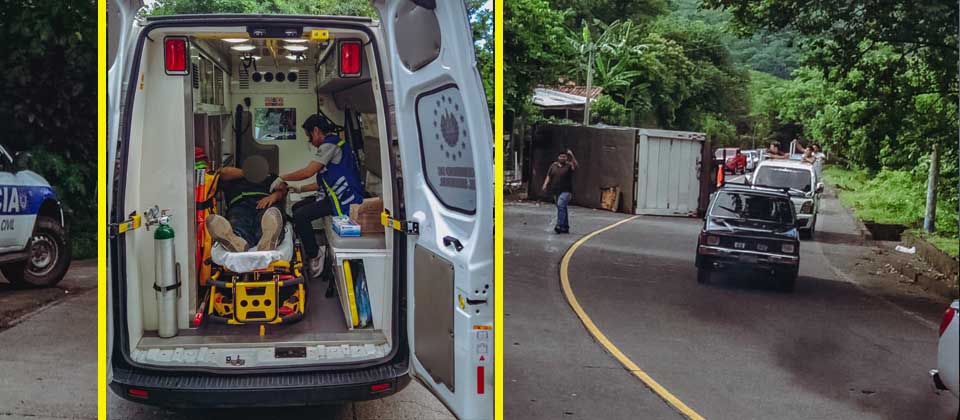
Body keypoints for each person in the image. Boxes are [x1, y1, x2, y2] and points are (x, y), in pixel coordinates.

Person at [270, 113, 364, 275]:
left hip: (344, 200)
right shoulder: (335, 145)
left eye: (309, 136)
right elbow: (324, 183)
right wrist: (299, 189)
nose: (310, 141)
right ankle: (308, 245)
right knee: (297, 207)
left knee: (300, 215)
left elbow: (308, 172)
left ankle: (315, 254)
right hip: (334, 196)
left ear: (316, 131)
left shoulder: (330, 145)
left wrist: (282, 177)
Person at [206, 155, 288, 253]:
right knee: (239, 222)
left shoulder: (270, 177)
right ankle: (237, 241)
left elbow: (283, 189)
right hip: (240, 205)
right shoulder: (234, 176)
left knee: (268, 218)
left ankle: (267, 239)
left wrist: (274, 196)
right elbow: (223, 173)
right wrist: (248, 173)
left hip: (265, 203)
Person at [541, 149, 578, 234]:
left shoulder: (569, 165)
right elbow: (549, 176)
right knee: (561, 207)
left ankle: (559, 225)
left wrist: (572, 155)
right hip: (556, 191)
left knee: (561, 205)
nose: (562, 158)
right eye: (561, 156)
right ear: (558, 157)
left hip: (566, 191)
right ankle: (565, 227)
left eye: (564, 157)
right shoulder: (553, 165)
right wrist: (545, 184)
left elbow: (576, 166)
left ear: (566, 158)